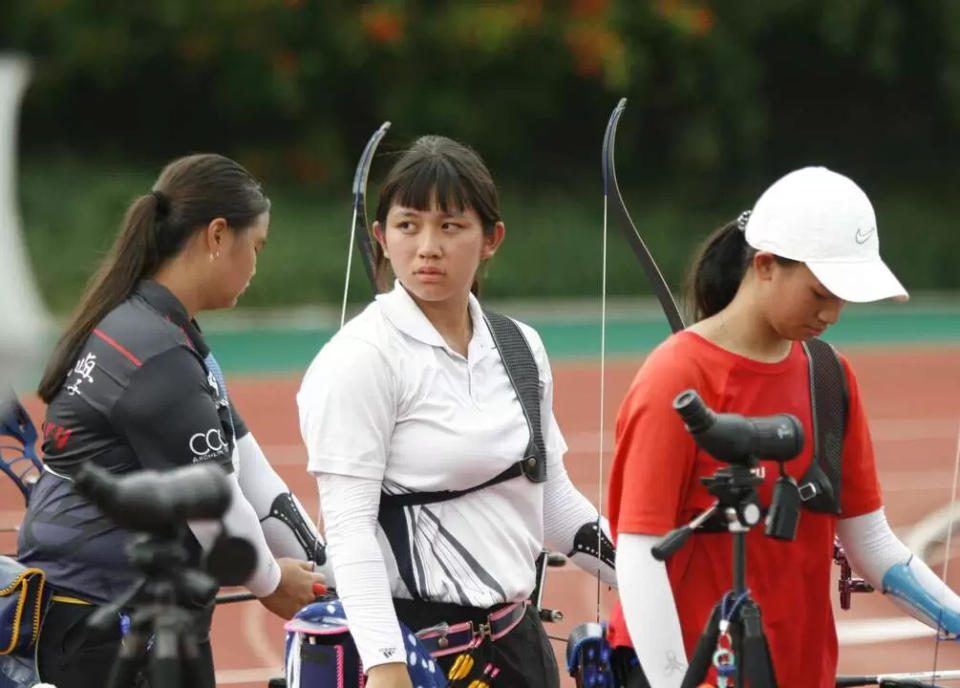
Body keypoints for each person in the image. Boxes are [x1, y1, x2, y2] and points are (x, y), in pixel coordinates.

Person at [606, 166, 960, 688]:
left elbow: (872, 544)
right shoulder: (677, 376)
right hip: (696, 674)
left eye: (843, 297)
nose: (834, 313)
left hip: (798, 670)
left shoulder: (829, 376)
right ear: (766, 265)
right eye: (821, 294)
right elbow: (639, 551)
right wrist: (673, 681)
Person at [297, 135, 617, 688]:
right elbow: (348, 528)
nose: (427, 247)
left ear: (491, 238)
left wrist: (650, 580)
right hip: (418, 657)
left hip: (520, 647)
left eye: (450, 226)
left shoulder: (520, 347)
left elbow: (555, 503)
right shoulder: (360, 358)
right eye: (407, 225)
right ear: (380, 237)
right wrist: (385, 664)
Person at [16, 153, 328, 688]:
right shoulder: (155, 352)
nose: (256, 267)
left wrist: (331, 571)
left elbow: (251, 472)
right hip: (105, 626)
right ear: (216, 237)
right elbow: (217, 506)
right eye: (255, 248)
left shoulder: (167, 334)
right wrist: (274, 584)